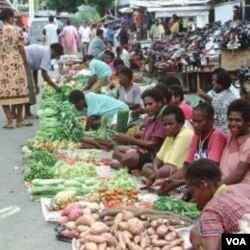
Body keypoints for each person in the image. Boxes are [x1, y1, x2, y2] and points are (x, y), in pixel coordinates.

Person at [155, 102, 227, 195]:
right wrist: (169, 180)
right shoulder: (197, 136)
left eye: (200, 121)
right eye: (194, 121)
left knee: (181, 192)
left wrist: (181, 182)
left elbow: (209, 171)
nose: (195, 125)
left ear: (210, 120)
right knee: (167, 189)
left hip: (208, 181)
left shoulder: (216, 136)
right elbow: (186, 166)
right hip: (194, 180)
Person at [187, 159, 250, 250]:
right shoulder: (233, 191)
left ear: (204, 185)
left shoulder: (211, 210)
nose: (193, 199)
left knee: (197, 233)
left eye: (193, 192)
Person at [112, 88, 166, 171]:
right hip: (143, 150)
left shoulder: (162, 120)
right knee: (116, 150)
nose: (147, 108)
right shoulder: (150, 119)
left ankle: (127, 165)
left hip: (153, 155)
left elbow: (153, 144)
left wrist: (129, 139)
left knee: (130, 157)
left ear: (159, 103)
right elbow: (144, 138)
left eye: (150, 104)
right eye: (145, 105)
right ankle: (128, 165)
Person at [143, 106, 193, 183]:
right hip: (165, 170)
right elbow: (158, 159)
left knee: (165, 170)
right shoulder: (171, 134)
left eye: (171, 124)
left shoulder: (186, 134)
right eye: (165, 124)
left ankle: (158, 181)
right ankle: (158, 180)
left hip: (178, 172)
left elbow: (170, 165)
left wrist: (156, 174)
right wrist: (156, 172)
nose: (167, 127)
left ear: (180, 124)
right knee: (146, 166)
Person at [0, 8, 30, 129]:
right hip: (16, 63)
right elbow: (22, 50)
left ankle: (9, 121)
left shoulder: (0, 31)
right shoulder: (18, 30)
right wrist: (25, 63)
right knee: (19, 91)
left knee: (4, 92)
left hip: (2, 64)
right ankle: (19, 119)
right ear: (10, 17)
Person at [23, 43, 63, 118]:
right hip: (24, 62)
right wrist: (56, 87)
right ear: (54, 51)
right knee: (29, 88)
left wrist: (36, 84)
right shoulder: (47, 54)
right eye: (56, 56)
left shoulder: (44, 50)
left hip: (24, 61)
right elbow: (44, 75)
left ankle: (14, 113)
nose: (53, 58)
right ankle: (27, 113)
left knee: (24, 88)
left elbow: (36, 69)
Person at [220, 99, 250, 190]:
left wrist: (213, 188)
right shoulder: (229, 136)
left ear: (248, 122)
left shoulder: (248, 143)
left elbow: (238, 175)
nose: (233, 124)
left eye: (238, 120)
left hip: (240, 191)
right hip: (224, 188)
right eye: (230, 120)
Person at [209, 69, 238, 133]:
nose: (212, 82)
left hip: (223, 131)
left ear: (221, 83)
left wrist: (207, 98)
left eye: (214, 80)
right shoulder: (216, 93)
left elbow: (218, 104)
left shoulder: (230, 98)